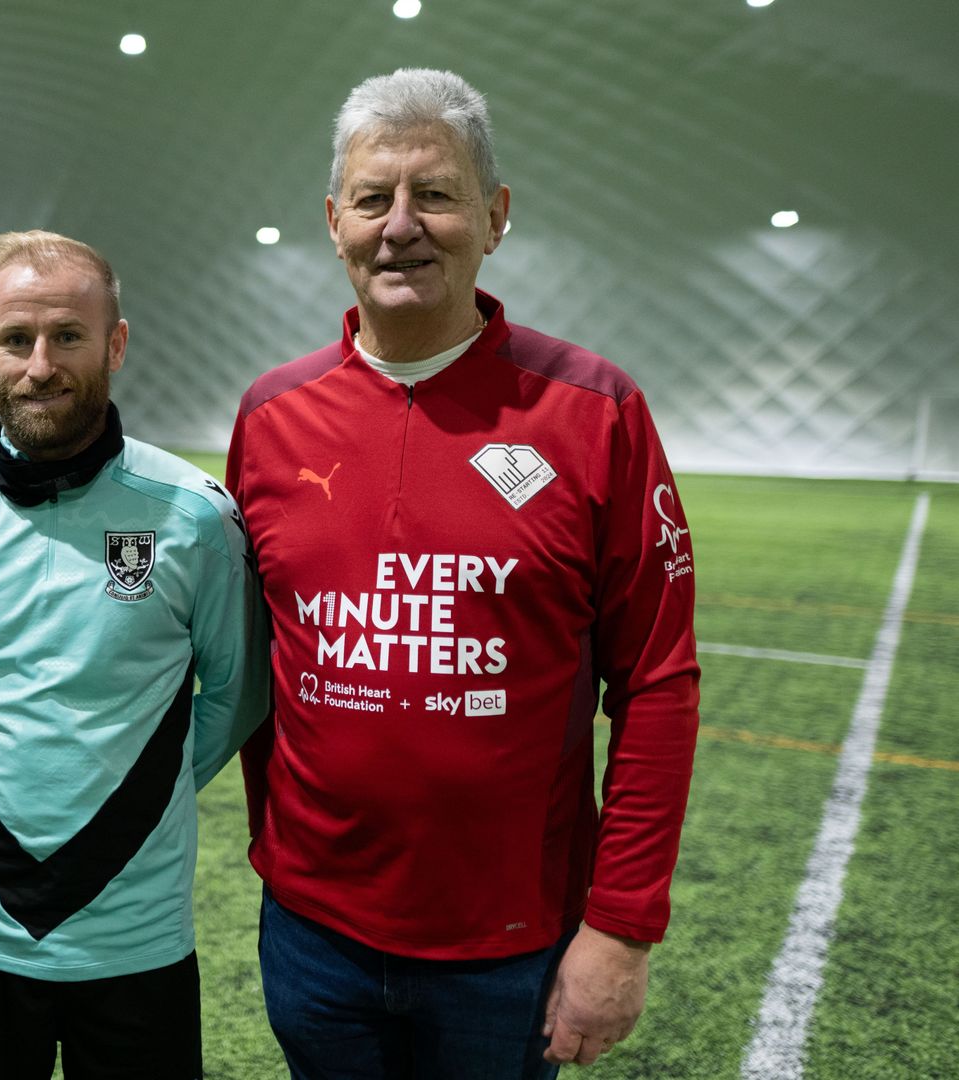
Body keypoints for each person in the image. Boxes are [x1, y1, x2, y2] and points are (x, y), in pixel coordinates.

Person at [226, 68, 701, 1079]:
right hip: (311, 934)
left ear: (495, 216)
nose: (401, 226)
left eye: (434, 195)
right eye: (372, 199)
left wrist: (619, 928)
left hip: (511, 950)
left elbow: (657, 684)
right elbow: (254, 667)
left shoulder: (595, 410)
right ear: (333, 222)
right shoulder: (269, 418)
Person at [0, 230, 269, 1079]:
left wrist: (143, 788)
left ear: (116, 344)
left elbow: (237, 694)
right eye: (16, 340)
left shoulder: (195, 516)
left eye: (69, 337)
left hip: (138, 941)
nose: (40, 366)